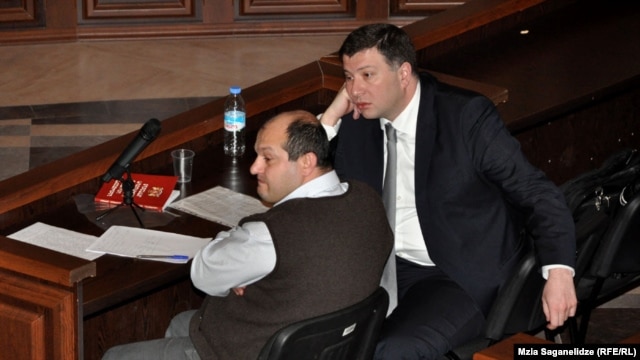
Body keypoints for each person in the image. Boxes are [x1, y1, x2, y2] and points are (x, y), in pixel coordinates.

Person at [318, 23, 578, 360]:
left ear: (403, 74)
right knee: (313, 331)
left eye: (368, 75)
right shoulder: (356, 122)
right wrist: (331, 118)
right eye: (349, 78)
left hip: (458, 273)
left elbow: (536, 192)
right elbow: (307, 179)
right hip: (383, 265)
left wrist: (558, 271)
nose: (356, 89)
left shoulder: (464, 116)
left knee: (393, 350)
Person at [102, 110, 394, 360]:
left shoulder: (270, 236)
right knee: (182, 322)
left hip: (250, 351)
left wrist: (240, 254)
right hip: (325, 347)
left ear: (306, 162)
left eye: (268, 158)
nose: (254, 167)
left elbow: (203, 273)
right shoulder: (368, 200)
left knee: (114, 356)